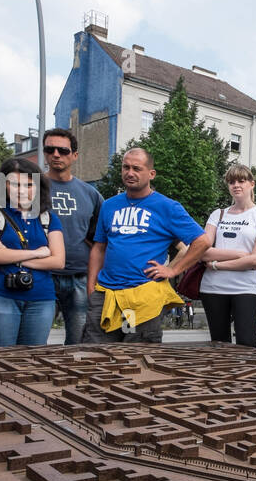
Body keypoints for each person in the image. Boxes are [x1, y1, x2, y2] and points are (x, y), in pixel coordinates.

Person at [84, 147, 210, 344]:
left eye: (137, 168)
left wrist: (172, 270)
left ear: (151, 174)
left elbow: (202, 241)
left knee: (135, 357)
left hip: (141, 298)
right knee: (95, 354)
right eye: (125, 167)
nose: (130, 173)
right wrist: (91, 288)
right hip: (106, 295)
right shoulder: (109, 205)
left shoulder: (167, 207)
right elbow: (99, 248)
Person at [0, 158, 66, 347]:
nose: (22, 190)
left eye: (28, 184)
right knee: (1, 358)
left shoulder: (49, 218)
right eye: (14, 184)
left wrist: (7, 254)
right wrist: (39, 253)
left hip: (41, 299)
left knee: (32, 361)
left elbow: (58, 261)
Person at [198, 164, 256, 347]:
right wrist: (239, 255)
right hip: (214, 288)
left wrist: (217, 265)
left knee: (246, 345)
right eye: (231, 182)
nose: (236, 185)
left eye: (241, 180)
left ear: (252, 184)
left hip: (246, 288)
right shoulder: (218, 214)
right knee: (219, 346)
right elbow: (202, 251)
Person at [42, 128, 102, 345]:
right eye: (50, 149)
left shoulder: (90, 193)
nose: (56, 154)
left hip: (80, 277)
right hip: (42, 276)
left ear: (75, 155)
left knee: (78, 343)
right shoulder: (31, 188)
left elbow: (99, 239)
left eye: (63, 150)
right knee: (34, 341)